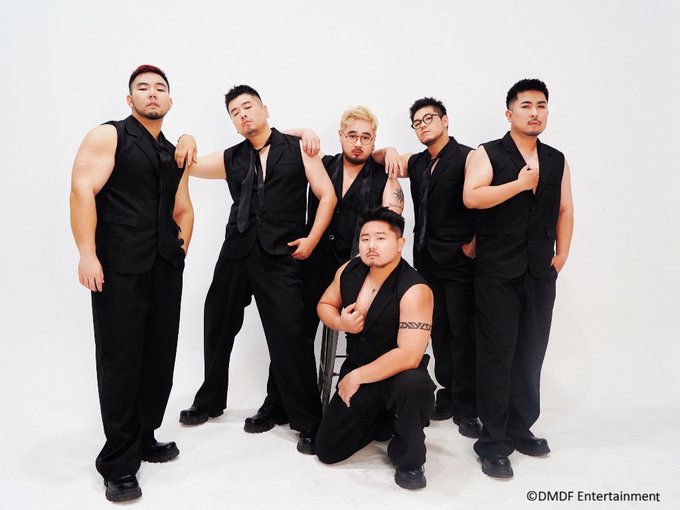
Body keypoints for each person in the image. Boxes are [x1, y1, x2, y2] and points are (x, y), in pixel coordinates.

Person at [176, 85, 336, 454]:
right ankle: (209, 401)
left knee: (290, 334)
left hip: (279, 254)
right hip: (236, 250)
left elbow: (327, 194)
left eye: (248, 107)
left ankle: (308, 421)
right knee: (216, 323)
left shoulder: (298, 147)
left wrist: (312, 239)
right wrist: (186, 138)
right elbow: (189, 162)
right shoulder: (231, 157)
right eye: (235, 112)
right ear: (233, 124)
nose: (243, 114)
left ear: (265, 109)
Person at [70, 65, 193, 502]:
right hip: (118, 267)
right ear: (130, 99)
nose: (152, 93)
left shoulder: (174, 151)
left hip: (164, 267)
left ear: (170, 101)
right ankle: (118, 465)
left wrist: (179, 252)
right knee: (121, 362)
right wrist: (87, 253)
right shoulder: (110, 136)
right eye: (143, 88)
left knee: (159, 357)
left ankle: (144, 436)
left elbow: (182, 208)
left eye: (160, 88)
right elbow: (81, 190)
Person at [245, 106, 405, 434]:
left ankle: (365, 411)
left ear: (374, 140)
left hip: (357, 272)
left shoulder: (381, 174)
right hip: (311, 264)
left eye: (366, 137)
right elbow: (274, 137)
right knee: (293, 333)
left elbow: (394, 219)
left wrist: (388, 154)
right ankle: (276, 403)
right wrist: (305, 132)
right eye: (352, 135)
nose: (358, 143)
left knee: (370, 336)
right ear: (340, 136)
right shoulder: (322, 163)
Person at [463, 79, 574, 478]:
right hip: (496, 271)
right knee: (497, 355)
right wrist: (519, 184)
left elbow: (565, 209)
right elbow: (472, 197)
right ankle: (492, 442)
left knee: (530, 352)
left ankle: (519, 427)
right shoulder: (487, 153)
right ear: (509, 113)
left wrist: (562, 255)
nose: (534, 112)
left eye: (541, 105)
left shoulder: (557, 159)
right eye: (526, 105)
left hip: (539, 271)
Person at [378, 98, 480, 437]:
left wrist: (474, 244)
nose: (423, 125)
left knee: (463, 331)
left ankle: (468, 406)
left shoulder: (467, 157)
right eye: (417, 123)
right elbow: (380, 159)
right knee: (438, 331)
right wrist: (391, 150)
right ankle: (448, 395)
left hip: (459, 260)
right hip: (426, 259)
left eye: (429, 119)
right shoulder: (419, 161)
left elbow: (483, 202)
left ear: (445, 120)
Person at [315, 207, 435, 490]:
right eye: (365, 238)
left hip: (398, 373)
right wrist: (340, 322)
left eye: (381, 238)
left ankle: (410, 460)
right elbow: (324, 304)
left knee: (413, 385)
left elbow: (409, 355)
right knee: (327, 449)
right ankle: (383, 419)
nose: (371, 245)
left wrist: (356, 377)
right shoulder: (349, 270)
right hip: (360, 364)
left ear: (400, 244)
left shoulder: (415, 289)